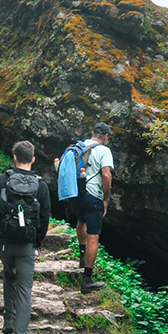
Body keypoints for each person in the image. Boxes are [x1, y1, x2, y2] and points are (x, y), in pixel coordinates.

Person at [0, 141, 50, 334]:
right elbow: (45, 218)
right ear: (33, 159)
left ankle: (8, 320)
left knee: (8, 274)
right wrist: (35, 240)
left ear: (14, 157)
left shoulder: (3, 180)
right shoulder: (41, 186)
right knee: (24, 290)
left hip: (4, 243)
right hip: (26, 245)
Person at [67, 122, 114, 294]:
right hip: (93, 196)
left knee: (81, 220)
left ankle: (81, 255)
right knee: (94, 236)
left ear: (92, 133)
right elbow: (106, 174)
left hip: (74, 194)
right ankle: (87, 279)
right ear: (106, 137)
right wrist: (106, 198)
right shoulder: (104, 150)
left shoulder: (79, 147)